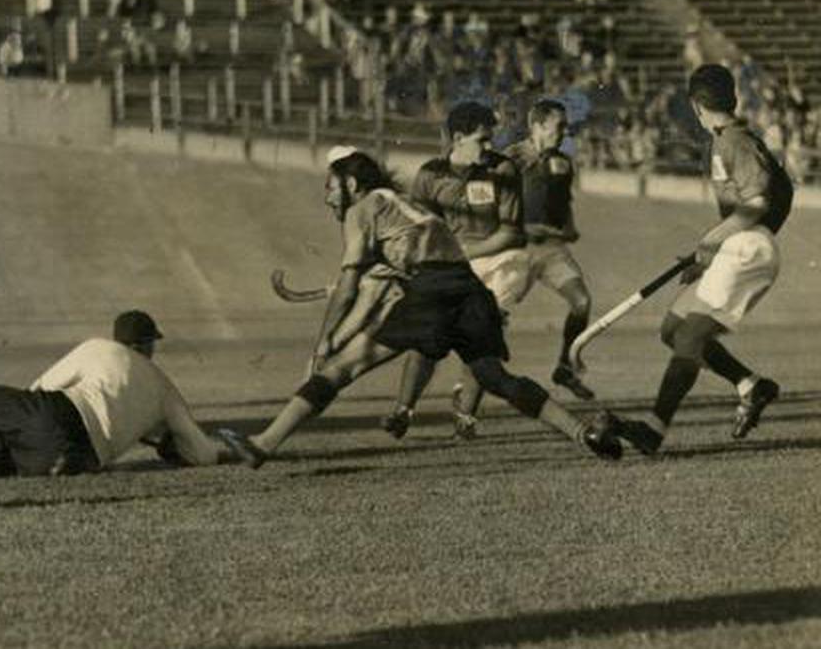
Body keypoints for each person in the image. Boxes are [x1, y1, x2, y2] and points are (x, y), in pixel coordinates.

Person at [216, 147, 625, 468]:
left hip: (432, 289)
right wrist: (339, 336)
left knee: (342, 368)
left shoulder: (362, 209)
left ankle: (263, 444)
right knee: (495, 376)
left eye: (330, 187)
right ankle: (583, 433)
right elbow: (371, 296)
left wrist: (324, 345)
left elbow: (349, 288)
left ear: (352, 184)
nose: (327, 197)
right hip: (469, 289)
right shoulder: (402, 205)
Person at [611, 64, 793, 453]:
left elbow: (758, 202)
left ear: (696, 106)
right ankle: (751, 385)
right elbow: (780, 193)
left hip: (748, 247)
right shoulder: (728, 139)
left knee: (690, 336)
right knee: (673, 329)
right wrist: (711, 254)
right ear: (733, 98)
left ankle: (653, 430)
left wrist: (710, 242)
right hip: (737, 245)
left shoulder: (735, 141)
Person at [0, 311, 234, 481]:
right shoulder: (166, 388)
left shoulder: (99, 348)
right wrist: (173, 448)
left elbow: (42, 386)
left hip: (61, 417)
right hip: (77, 461)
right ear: (149, 345)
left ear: (118, 338)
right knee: (5, 455)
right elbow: (203, 454)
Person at [380, 101, 531, 441]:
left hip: (499, 262)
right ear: (458, 138)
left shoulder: (503, 170)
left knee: (479, 337)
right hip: (450, 264)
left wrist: (461, 254)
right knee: (428, 335)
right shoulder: (430, 175)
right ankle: (403, 411)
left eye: (491, 139)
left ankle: (465, 416)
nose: (489, 146)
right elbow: (419, 228)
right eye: (482, 140)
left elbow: (510, 233)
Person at [504, 99, 596, 401]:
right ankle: (464, 387)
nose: (565, 132)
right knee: (492, 315)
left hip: (552, 249)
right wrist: (522, 228)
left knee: (582, 302)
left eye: (566, 126)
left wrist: (570, 227)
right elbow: (496, 204)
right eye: (560, 126)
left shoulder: (563, 162)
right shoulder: (512, 158)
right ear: (538, 126)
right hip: (517, 247)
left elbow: (563, 203)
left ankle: (565, 368)